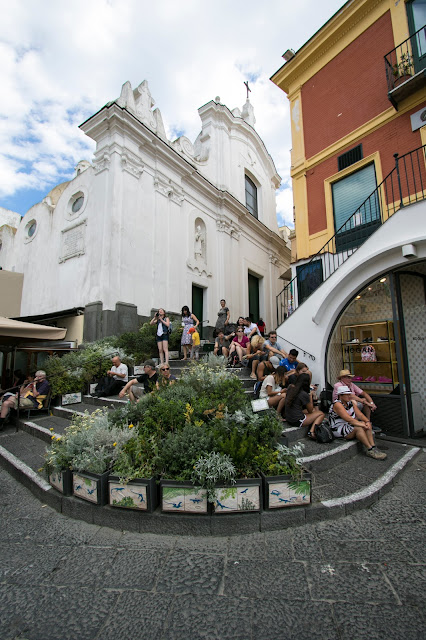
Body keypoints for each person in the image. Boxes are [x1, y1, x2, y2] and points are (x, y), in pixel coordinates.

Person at [329, 386, 386, 459]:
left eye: (349, 394)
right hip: (339, 429)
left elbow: (359, 414)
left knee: (366, 424)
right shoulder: (337, 404)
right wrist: (361, 424)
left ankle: (373, 446)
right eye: (347, 394)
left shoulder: (350, 403)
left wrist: (367, 421)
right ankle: (369, 449)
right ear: (341, 395)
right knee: (359, 428)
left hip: (348, 425)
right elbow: (348, 418)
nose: (349, 396)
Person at [284, 373, 325, 437]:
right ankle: (311, 431)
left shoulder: (290, 387)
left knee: (315, 411)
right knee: (321, 414)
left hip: (289, 417)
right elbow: (310, 411)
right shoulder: (303, 394)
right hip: (297, 420)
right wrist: (311, 396)